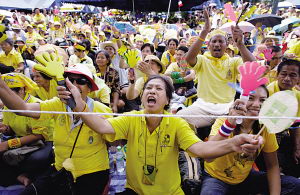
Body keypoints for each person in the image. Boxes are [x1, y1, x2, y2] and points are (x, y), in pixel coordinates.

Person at [56, 74, 263, 195]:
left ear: (167, 101)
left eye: (158, 89)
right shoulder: (131, 118)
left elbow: (200, 149)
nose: (151, 91)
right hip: (135, 192)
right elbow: (101, 127)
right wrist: (79, 104)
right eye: (148, 88)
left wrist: (234, 143)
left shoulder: (176, 123)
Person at [0, 56, 111, 195]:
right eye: (70, 80)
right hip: (60, 169)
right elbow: (22, 108)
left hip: (92, 173)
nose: (74, 85)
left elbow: (114, 142)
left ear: (90, 88)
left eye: (81, 81)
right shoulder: (58, 104)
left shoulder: (102, 110)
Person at [200, 85, 300, 195]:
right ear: (239, 100)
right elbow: (208, 156)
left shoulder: (265, 128)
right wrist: (229, 124)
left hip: (245, 178)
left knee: (294, 185)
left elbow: (272, 166)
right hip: (216, 179)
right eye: (250, 98)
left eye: (262, 100)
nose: (257, 105)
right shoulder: (223, 122)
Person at [177, 9, 256, 129]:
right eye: (214, 41)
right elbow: (187, 59)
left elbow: (252, 66)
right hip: (202, 108)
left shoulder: (234, 61)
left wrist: (240, 44)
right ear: (208, 46)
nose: (217, 44)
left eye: (221, 41)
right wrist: (204, 32)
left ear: (226, 45)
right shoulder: (202, 60)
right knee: (177, 120)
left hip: (226, 109)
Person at [0, 73, 53, 187]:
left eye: (10, 92)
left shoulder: (35, 104)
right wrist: (6, 129)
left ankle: (26, 176)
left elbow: (39, 135)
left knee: (37, 159)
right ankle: (19, 176)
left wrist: (8, 144)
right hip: (22, 140)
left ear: (22, 90)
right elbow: (12, 130)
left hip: (45, 141)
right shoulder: (7, 106)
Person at [267, 59, 300, 177]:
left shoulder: (297, 96)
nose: (287, 78)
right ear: (277, 75)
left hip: (284, 134)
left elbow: (296, 125)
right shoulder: (267, 92)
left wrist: (297, 147)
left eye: (292, 75)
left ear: (298, 79)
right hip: (266, 135)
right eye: (283, 74)